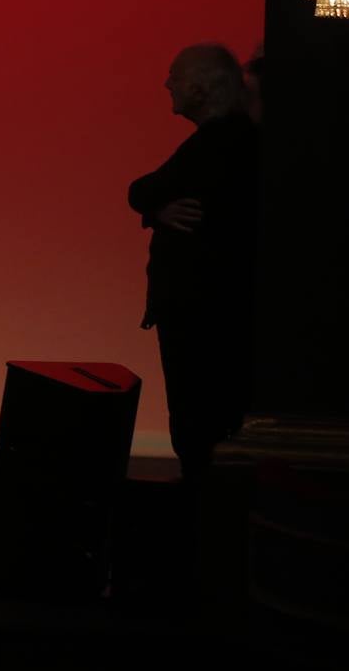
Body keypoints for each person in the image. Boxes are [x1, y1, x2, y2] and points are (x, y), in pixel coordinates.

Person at [127, 43, 258, 484]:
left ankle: (202, 521)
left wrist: (154, 207)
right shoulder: (226, 141)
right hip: (210, 308)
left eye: (176, 75)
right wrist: (157, 210)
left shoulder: (220, 141)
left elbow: (144, 189)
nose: (169, 84)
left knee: (198, 419)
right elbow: (151, 193)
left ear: (203, 87)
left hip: (203, 312)